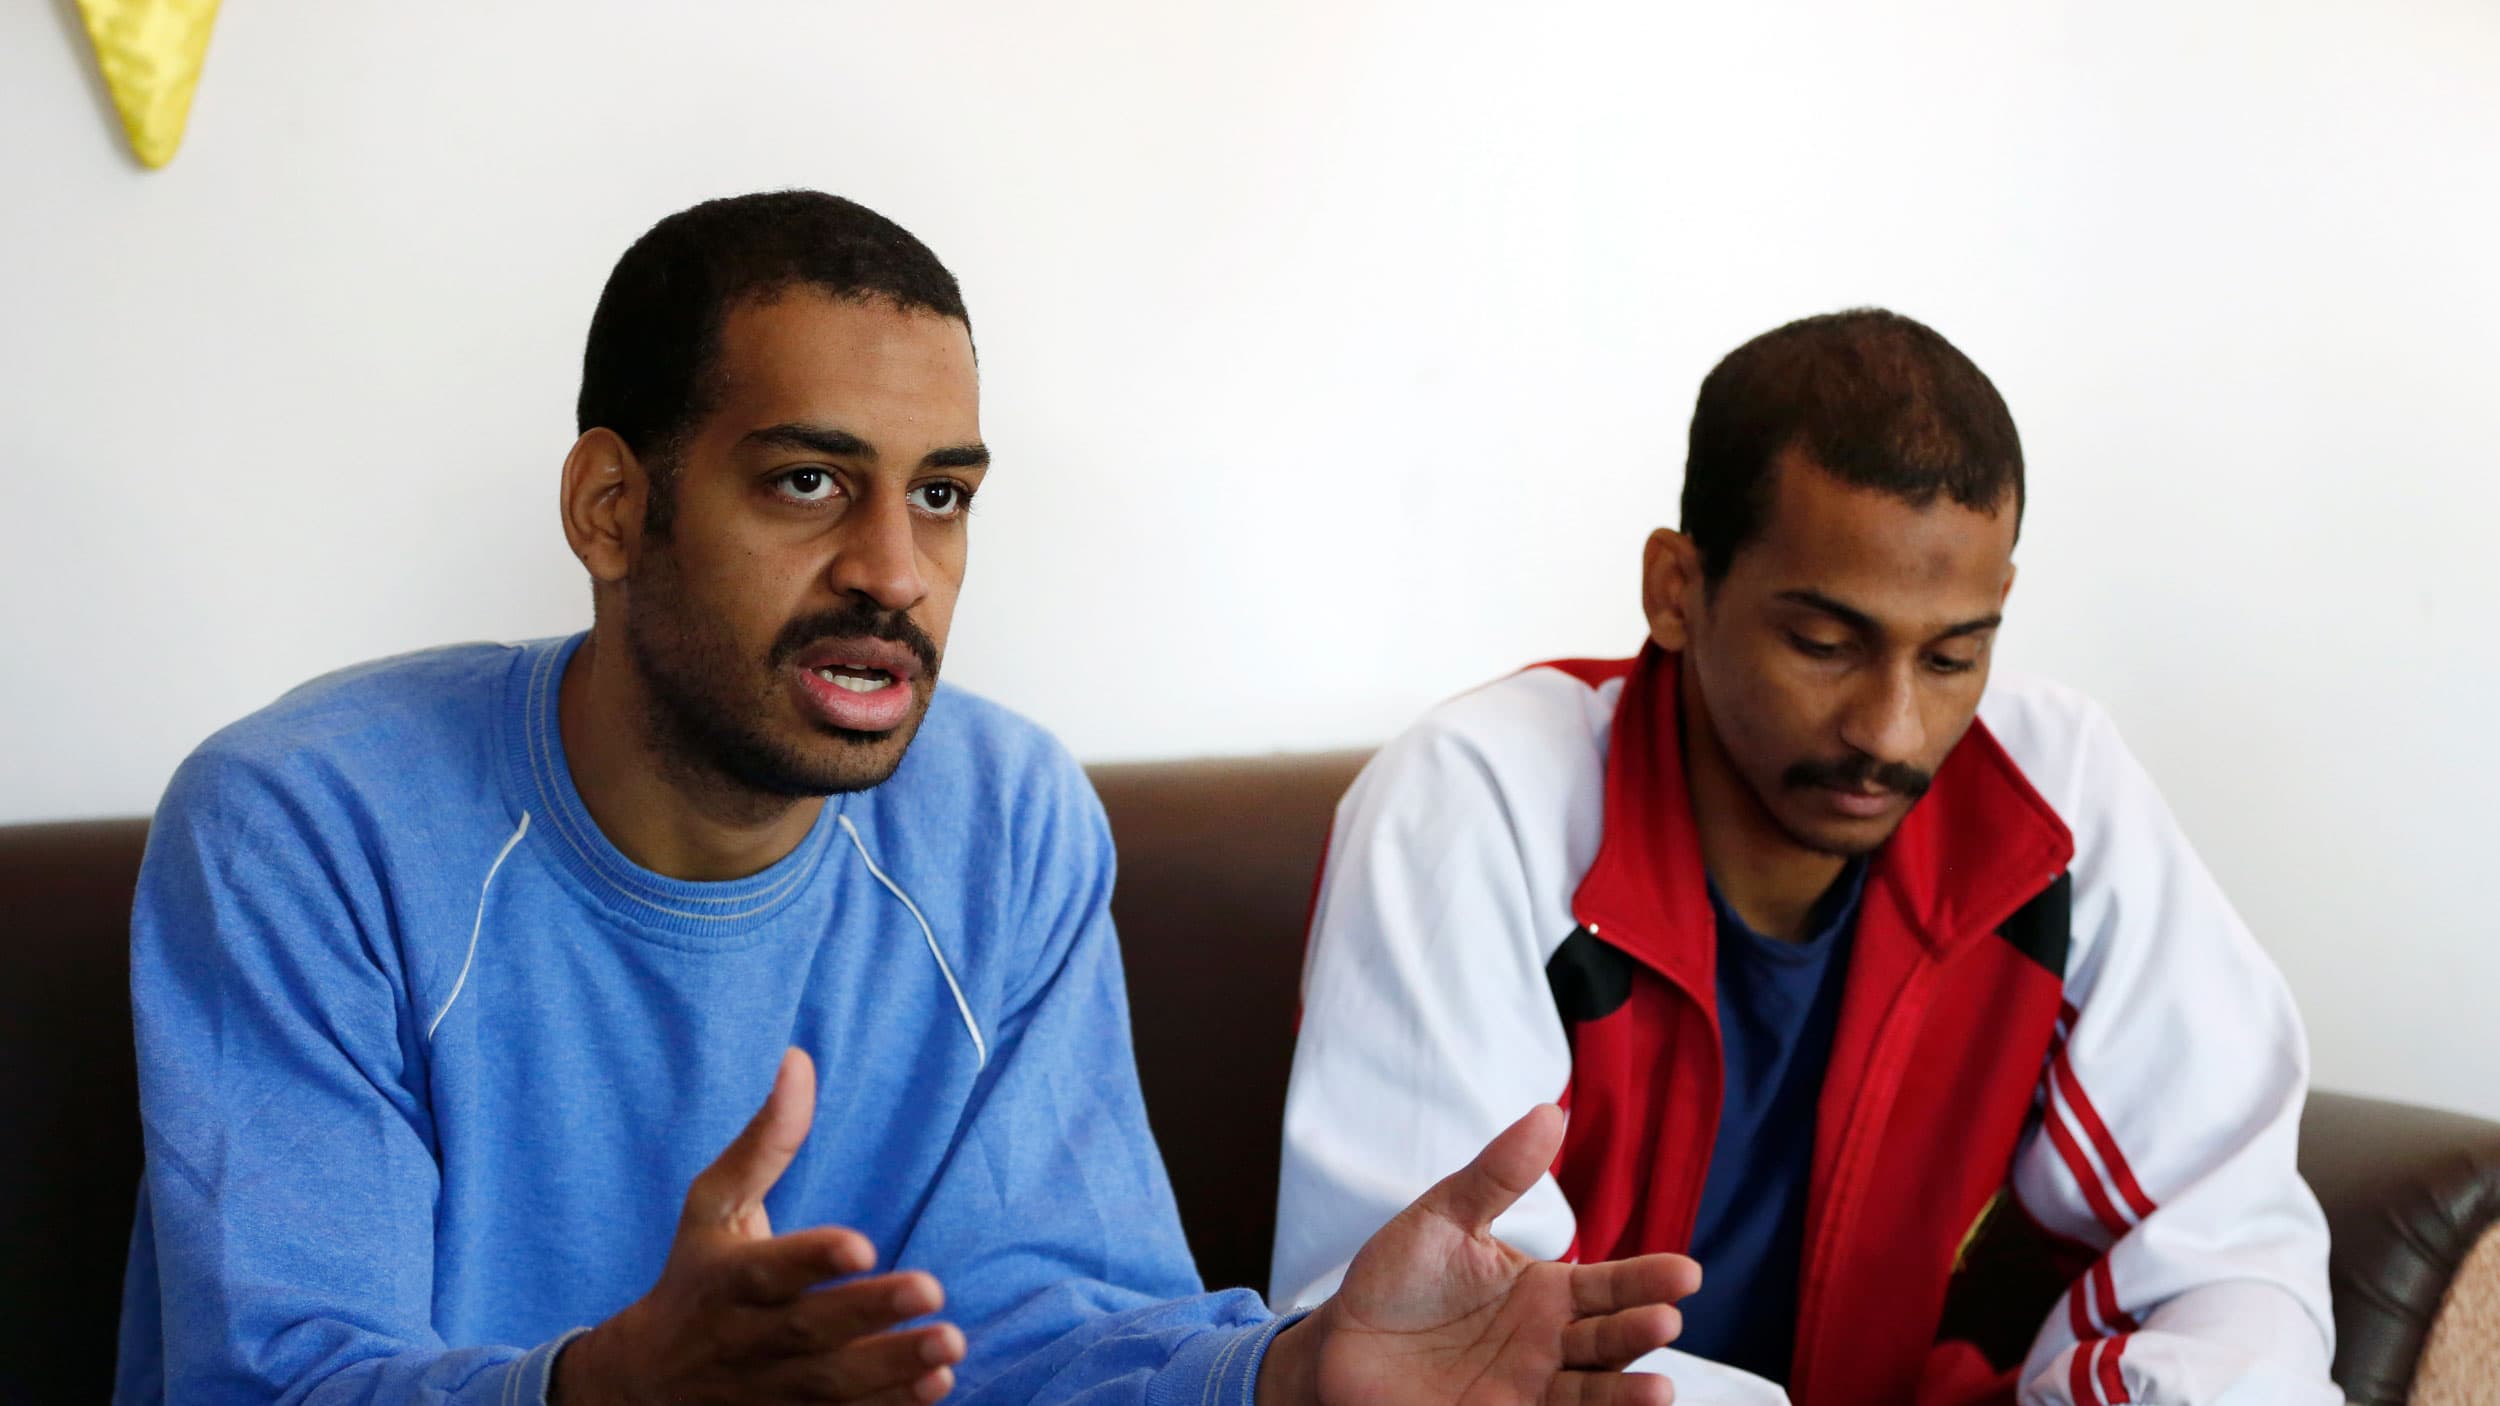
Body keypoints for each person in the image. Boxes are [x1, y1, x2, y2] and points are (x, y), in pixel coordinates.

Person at [115, 190, 1701, 1406]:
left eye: (941, 495)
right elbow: (279, 1374)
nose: (894, 569)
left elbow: (1038, 1330)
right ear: (611, 506)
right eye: (808, 481)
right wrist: (602, 1384)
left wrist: (1290, 1374)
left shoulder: (1003, 817)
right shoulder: (306, 827)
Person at [1271, 310, 2339, 1406]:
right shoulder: (1471, 803)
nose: (1892, 726)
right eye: (1824, 645)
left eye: (1952, 653)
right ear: (1676, 589)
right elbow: (1452, 1350)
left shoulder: (2051, 795)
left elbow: (2231, 1252)